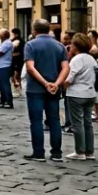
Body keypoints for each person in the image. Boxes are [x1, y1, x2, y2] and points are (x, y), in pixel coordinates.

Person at [24, 19, 68, 162]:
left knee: (36, 121)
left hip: (35, 89)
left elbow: (30, 67)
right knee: (54, 120)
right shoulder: (59, 46)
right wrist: (56, 84)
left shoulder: (30, 45)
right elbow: (66, 68)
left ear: (34, 30)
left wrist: (44, 83)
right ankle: (56, 153)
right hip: (54, 90)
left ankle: (39, 153)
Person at [64, 32, 98, 160]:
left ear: (75, 46)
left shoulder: (76, 59)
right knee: (88, 123)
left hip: (76, 93)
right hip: (90, 93)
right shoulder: (91, 58)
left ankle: (80, 151)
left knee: (77, 123)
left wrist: (63, 84)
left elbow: (71, 76)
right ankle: (90, 151)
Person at [0, 29, 15, 109]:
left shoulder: (7, 43)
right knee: (1, 84)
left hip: (4, 65)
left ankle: (8, 101)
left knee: (4, 84)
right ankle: (3, 100)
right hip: (1, 65)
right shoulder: (4, 43)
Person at [11, 28, 25, 92]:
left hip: (19, 59)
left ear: (16, 34)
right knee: (14, 73)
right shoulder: (12, 40)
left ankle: (18, 87)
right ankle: (17, 87)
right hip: (15, 60)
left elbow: (21, 52)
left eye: (13, 33)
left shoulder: (21, 41)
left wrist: (12, 54)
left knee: (17, 73)